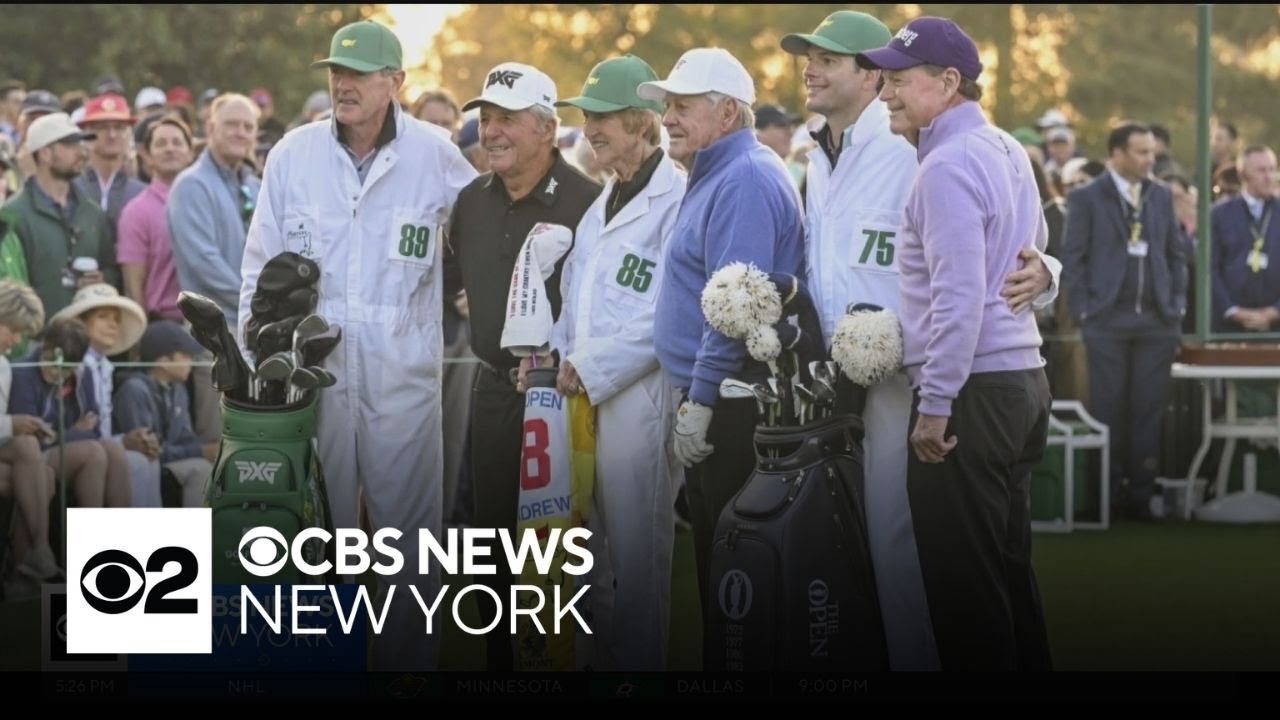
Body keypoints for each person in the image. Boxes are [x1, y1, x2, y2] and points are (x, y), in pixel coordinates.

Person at [782, 10, 1058, 671]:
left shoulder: (932, 156)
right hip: (996, 379)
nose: (890, 88)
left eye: (899, 77)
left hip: (951, 385)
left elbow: (972, 285)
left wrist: (935, 403)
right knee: (995, 573)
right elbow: (1023, 248)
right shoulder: (993, 146)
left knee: (951, 582)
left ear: (947, 81)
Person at [238, 20, 476, 671]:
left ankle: (407, 671)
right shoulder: (293, 152)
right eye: (336, 72)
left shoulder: (436, 154)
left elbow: (483, 233)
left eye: (358, 73)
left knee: (409, 538)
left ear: (395, 82)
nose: (342, 83)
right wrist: (255, 353)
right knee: (325, 528)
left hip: (404, 370)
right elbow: (259, 262)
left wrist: (480, 297)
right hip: (317, 371)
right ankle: (332, 665)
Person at [636, 47, 805, 657]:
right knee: (723, 578)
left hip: (734, 407)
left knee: (737, 585)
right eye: (668, 107)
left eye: (682, 107)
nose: (669, 119)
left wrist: (701, 399)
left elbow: (736, 300)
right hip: (719, 398)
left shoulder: (746, 180)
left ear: (728, 112)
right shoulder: (717, 174)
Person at [442, 60, 600, 671]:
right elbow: (454, 283)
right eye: (486, 119)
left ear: (546, 128)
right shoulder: (469, 204)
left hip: (565, 396)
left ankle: (566, 663)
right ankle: (499, 667)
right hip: (493, 391)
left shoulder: (588, 204)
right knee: (492, 545)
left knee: (565, 546)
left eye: (507, 119)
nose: (493, 131)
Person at [547, 54, 684, 670]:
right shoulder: (601, 199)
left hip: (641, 398)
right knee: (589, 550)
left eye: (603, 117)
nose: (590, 127)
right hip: (581, 397)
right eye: (585, 115)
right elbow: (577, 297)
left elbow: (670, 313)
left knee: (637, 556)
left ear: (643, 122)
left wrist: (593, 363)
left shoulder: (677, 197)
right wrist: (555, 352)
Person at [1060, 123, 1187, 521]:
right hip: (1106, 320)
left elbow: (1176, 254)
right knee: (1107, 407)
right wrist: (1084, 310)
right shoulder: (1086, 198)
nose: (1150, 159)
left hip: (1156, 321)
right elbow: (1073, 259)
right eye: (1141, 152)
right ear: (1116, 153)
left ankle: (1142, 494)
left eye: (1151, 152)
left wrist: (1176, 304)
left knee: (1149, 409)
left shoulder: (1161, 195)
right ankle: (1107, 495)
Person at [51, 283, 160, 507]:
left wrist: (128, 439)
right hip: (67, 448)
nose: (113, 325)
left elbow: (102, 430)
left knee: (148, 456)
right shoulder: (71, 365)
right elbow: (71, 427)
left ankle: (149, 538)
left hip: (100, 448)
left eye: (116, 319)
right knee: (137, 463)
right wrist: (122, 443)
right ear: (80, 323)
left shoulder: (104, 367)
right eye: (103, 316)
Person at [2, 113, 115, 318]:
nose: (82, 153)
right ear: (45, 153)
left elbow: (112, 267)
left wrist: (104, 278)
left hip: (87, 338)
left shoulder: (92, 212)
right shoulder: (11, 215)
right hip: (36, 340)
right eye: (71, 146)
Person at [114, 320, 218, 507]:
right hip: (143, 465)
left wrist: (212, 451)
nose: (191, 362)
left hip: (170, 460)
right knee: (200, 469)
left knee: (211, 469)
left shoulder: (178, 388)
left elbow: (185, 438)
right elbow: (148, 450)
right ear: (163, 361)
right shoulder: (134, 390)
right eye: (185, 355)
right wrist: (199, 451)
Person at [0, 279, 60, 589]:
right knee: (25, 449)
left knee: (43, 476)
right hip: (10, 448)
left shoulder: (4, 367)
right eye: (12, 329)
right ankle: (37, 552)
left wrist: (18, 425)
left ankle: (22, 574)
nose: (16, 340)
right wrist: (12, 424)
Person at [118, 116, 195, 321]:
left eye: (177, 143)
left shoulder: (205, 204)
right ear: (147, 156)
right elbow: (133, 285)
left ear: (190, 153)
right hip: (164, 325)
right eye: (161, 144)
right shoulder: (136, 211)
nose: (170, 149)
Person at [1211, 145, 1280, 333]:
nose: (1269, 176)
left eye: (1272, 169)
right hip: (1229, 325)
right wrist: (1232, 310)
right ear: (1242, 175)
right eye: (1261, 170)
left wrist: (1274, 312)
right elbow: (1210, 269)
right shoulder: (1219, 214)